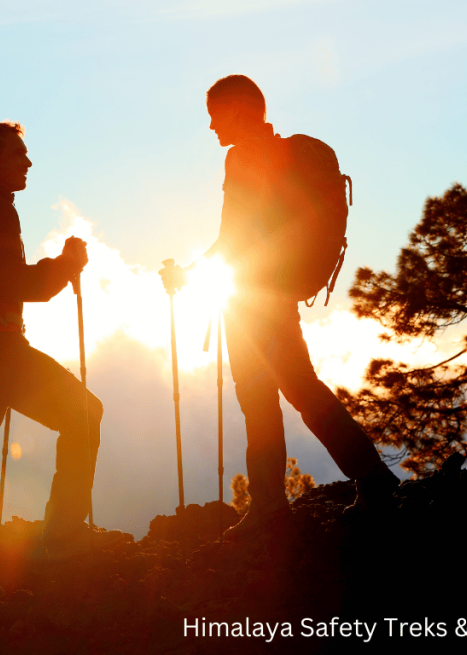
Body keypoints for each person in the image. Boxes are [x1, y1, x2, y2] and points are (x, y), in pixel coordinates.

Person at [160, 75, 399, 540]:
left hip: (252, 299)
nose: (211, 127)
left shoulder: (243, 157)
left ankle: (272, 505)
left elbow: (233, 236)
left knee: (261, 399)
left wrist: (186, 275)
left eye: (215, 115)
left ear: (238, 109)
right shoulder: (283, 155)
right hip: (278, 292)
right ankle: (371, 479)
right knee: (300, 389)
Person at [0, 121, 124, 614]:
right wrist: (65, 265)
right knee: (84, 413)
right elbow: (17, 284)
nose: (28, 163)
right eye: (18, 154)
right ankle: (63, 536)